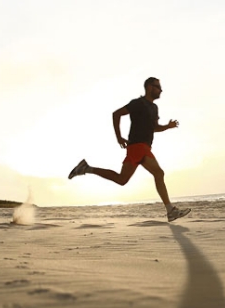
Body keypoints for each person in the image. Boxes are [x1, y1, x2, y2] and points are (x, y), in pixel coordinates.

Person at [68, 77, 191, 222]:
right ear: (149, 87)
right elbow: (116, 114)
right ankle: (170, 210)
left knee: (122, 179)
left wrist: (167, 127)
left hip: (142, 147)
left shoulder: (154, 108)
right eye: (157, 86)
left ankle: (86, 168)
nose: (160, 90)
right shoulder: (138, 103)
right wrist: (119, 137)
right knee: (158, 173)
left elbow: (154, 128)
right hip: (138, 146)